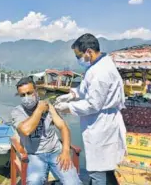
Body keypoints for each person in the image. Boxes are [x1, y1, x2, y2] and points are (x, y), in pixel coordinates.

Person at [54, 33, 127, 184]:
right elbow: (86, 88)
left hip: (102, 126)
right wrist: (71, 94)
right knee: (106, 168)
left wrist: (68, 107)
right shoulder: (98, 65)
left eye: (78, 56)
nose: (78, 60)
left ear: (89, 52)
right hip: (102, 122)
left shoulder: (101, 72)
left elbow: (93, 104)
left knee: (97, 170)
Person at [10, 77, 81, 185]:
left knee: (73, 183)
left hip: (55, 152)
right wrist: (39, 110)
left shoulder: (49, 107)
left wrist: (66, 151)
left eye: (29, 93)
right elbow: (26, 130)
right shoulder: (17, 112)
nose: (26, 97)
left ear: (36, 92)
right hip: (34, 155)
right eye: (22, 95)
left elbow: (63, 127)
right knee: (34, 182)